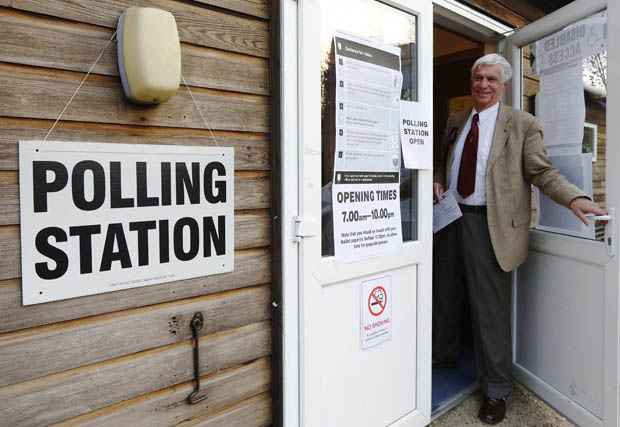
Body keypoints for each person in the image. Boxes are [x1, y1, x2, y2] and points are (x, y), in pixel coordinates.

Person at [432, 53, 605, 425]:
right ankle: (442, 355)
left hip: (489, 226)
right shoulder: (458, 119)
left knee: (490, 313)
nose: (483, 84)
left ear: (504, 84)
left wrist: (574, 197)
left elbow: (542, 172)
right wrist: (438, 178)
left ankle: (496, 390)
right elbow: (442, 158)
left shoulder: (522, 124)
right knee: (445, 293)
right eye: (478, 77)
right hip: (451, 218)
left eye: (491, 79)